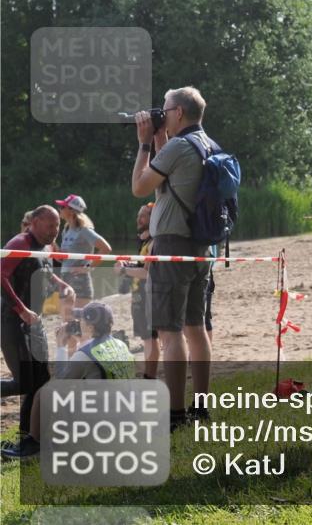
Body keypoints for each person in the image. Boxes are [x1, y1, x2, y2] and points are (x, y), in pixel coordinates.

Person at [131, 86, 215, 428]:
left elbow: (140, 186)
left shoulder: (180, 146)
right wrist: (160, 136)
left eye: (165, 109)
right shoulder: (204, 144)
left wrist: (143, 142)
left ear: (178, 112)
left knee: (169, 332)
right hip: (200, 247)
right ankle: (201, 406)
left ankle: (175, 413)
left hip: (172, 247)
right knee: (196, 327)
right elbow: (168, 182)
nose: (161, 113)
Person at [1, 302, 133, 459]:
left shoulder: (85, 354)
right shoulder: (120, 345)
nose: (78, 323)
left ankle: (34, 445)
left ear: (90, 326)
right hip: (124, 417)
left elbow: (60, 379)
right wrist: (80, 344)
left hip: (103, 422)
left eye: (81, 321)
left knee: (46, 392)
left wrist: (61, 346)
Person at [0, 206, 74, 443]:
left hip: (36, 323)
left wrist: (62, 284)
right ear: (34, 222)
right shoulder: (19, 243)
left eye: (58, 226)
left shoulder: (48, 246)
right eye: (50, 225)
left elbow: (44, 271)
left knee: (40, 381)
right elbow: (1, 275)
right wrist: (21, 309)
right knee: (25, 381)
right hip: (12, 320)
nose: (55, 231)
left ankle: (28, 437)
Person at [54, 194, 112, 354]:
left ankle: (85, 359)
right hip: (65, 279)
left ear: (71, 211)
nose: (60, 209)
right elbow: (62, 258)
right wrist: (52, 243)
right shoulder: (66, 229)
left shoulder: (84, 231)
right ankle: (72, 359)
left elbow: (106, 248)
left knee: (81, 326)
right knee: (68, 323)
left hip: (80, 281)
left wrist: (87, 267)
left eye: (62, 207)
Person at [116, 202, 159, 379]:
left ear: (153, 218)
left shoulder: (153, 242)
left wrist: (124, 270)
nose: (138, 219)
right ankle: (150, 374)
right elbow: (141, 265)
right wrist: (126, 264)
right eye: (138, 215)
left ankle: (150, 375)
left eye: (143, 215)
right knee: (148, 338)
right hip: (139, 296)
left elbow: (147, 272)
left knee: (150, 338)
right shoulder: (144, 241)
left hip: (149, 296)